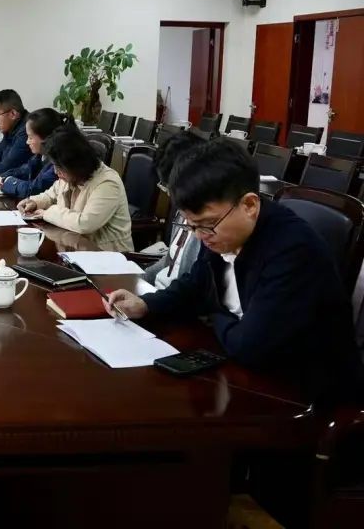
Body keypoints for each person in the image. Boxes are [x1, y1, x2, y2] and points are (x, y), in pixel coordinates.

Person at [106, 139, 361, 401]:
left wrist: (214, 310)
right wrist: (146, 305)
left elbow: (249, 346)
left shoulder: (293, 250)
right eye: (192, 226)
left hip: (301, 391)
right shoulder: (221, 233)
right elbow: (196, 285)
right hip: (241, 368)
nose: (200, 235)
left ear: (249, 205)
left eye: (206, 224)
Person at [18, 129, 133, 252]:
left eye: (59, 167)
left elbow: (85, 224)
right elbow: (51, 195)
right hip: (75, 248)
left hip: (107, 255)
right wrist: (34, 202)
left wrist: (47, 213)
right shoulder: (71, 174)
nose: (56, 172)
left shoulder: (108, 183)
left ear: (76, 165)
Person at [139, 131, 206, 291]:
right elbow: (170, 259)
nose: (169, 195)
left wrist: (151, 300)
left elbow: (191, 287)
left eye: (169, 187)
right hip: (156, 293)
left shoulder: (208, 226)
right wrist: (138, 280)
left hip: (172, 299)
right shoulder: (181, 212)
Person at [0, 107, 70, 199]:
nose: (27, 142)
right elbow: (22, 171)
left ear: (46, 138)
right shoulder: (40, 156)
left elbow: (33, 189)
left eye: (30, 137)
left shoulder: (57, 163)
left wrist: (6, 181)